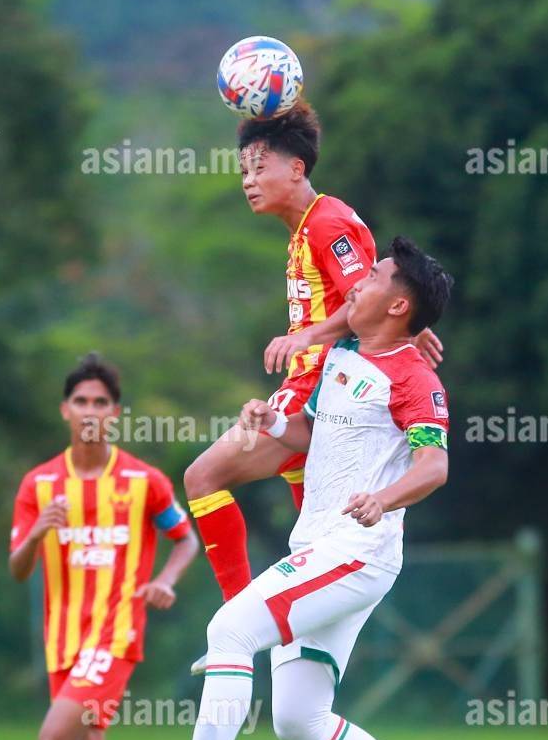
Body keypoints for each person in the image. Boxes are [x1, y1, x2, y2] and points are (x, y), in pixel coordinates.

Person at [121, 237, 462, 740]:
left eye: (374, 277)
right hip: (321, 547)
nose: (357, 283)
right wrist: (267, 424)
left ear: (398, 305)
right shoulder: (343, 356)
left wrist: (384, 499)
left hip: (356, 551)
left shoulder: (414, 378)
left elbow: (435, 465)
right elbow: (315, 436)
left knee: (230, 629)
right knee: (299, 720)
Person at [184, 100, 442, 604]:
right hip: (312, 389)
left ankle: (240, 613)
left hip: (318, 391)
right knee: (317, 540)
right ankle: (289, 625)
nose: (248, 181)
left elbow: (366, 305)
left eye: (260, 167)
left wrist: (307, 337)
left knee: (203, 476)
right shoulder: (306, 228)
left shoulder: (327, 223)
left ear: (297, 168)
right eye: (243, 171)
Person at [8, 353, 200, 740]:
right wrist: (38, 533)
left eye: (101, 402)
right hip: (62, 644)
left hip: (115, 635)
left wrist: (165, 580)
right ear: (65, 410)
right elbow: (18, 568)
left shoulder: (144, 481)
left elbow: (185, 539)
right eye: (81, 402)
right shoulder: (40, 484)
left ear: (115, 413)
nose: (90, 411)